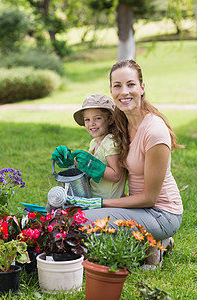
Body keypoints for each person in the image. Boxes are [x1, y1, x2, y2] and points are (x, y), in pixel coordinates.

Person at [82, 60, 183, 268]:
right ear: (111, 90)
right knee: (76, 216)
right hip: (138, 208)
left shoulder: (154, 131)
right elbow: (103, 148)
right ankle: (152, 242)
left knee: (83, 222)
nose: (124, 91)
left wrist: (99, 204)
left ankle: (154, 241)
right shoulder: (122, 123)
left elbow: (149, 198)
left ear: (142, 88)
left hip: (161, 213)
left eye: (130, 84)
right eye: (117, 86)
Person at [51, 94, 127, 201]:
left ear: (110, 120)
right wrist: (72, 162)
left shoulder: (110, 142)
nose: (91, 124)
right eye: (87, 119)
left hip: (108, 202)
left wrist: (92, 164)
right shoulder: (94, 142)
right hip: (93, 198)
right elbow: (89, 170)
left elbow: (116, 175)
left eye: (97, 118)